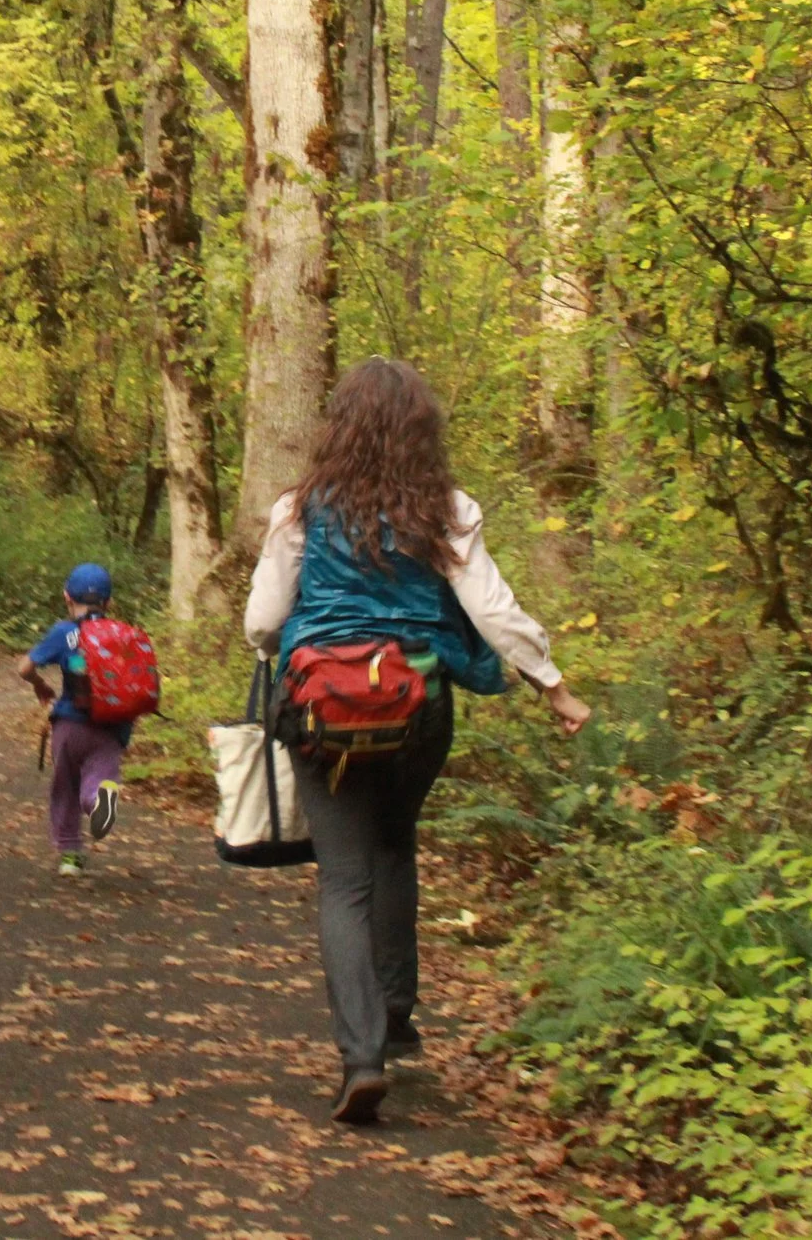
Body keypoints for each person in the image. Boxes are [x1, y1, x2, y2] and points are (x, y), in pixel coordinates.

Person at [243, 358, 592, 1125]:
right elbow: (492, 609)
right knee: (395, 842)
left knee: (344, 878)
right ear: (422, 431)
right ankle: (398, 1014)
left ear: (338, 427)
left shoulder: (299, 509)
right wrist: (553, 685)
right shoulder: (446, 509)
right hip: (416, 704)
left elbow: (263, 621)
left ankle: (361, 1054)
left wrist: (286, 641)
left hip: (322, 707)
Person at [18, 563, 131, 877]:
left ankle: (70, 856)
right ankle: (98, 800)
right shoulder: (122, 634)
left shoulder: (64, 633)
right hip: (111, 727)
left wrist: (40, 685)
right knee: (99, 777)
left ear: (67, 597)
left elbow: (24, 668)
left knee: (65, 787)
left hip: (70, 724)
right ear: (109, 602)